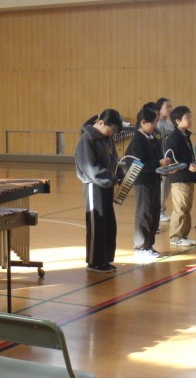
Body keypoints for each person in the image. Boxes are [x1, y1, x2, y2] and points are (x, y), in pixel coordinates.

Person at [75, 109, 123, 273]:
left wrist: (119, 174)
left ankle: (105, 258)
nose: (112, 133)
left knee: (108, 223)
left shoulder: (106, 137)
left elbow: (113, 159)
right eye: (111, 129)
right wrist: (110, 178)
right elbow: (89, 167)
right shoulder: (87, 139)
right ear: (101, 123)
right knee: (97, 223)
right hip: (94, 186)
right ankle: (95, 262)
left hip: (107, 184)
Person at [125, 107, 171, 258]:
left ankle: (149, 244)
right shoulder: (137, 141)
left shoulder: (152, 137)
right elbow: (137, 165)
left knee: (154, 212)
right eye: (154, 122)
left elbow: (158, 159)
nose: (156, 125)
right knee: (144, 213)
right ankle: (141, 246)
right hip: (143, 182)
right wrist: (159, 163)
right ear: (143, 122)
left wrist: (166, 165)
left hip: (154, 179)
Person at [165, 106, 196, 246]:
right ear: (178, 121)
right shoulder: (173, 137)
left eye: (190, 117)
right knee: (180, 208)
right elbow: (171, 159)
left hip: (188, 177)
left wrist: (195, 163)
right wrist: (186, 166)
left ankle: (184, 235)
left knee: (187, 208)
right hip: (179, 178)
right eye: (187, 117)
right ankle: (175, 237)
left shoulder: (185, 135)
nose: (190, 120)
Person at [156, 97, 174, 223]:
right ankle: (159, 211)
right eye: (167, 107)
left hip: (169, 161)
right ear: (160, 109)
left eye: (170, 107)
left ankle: (162, 210)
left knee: (167, 187)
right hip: (162, 161)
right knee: (161, 187)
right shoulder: (158, 125)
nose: (170, 109)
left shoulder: (170, 124)